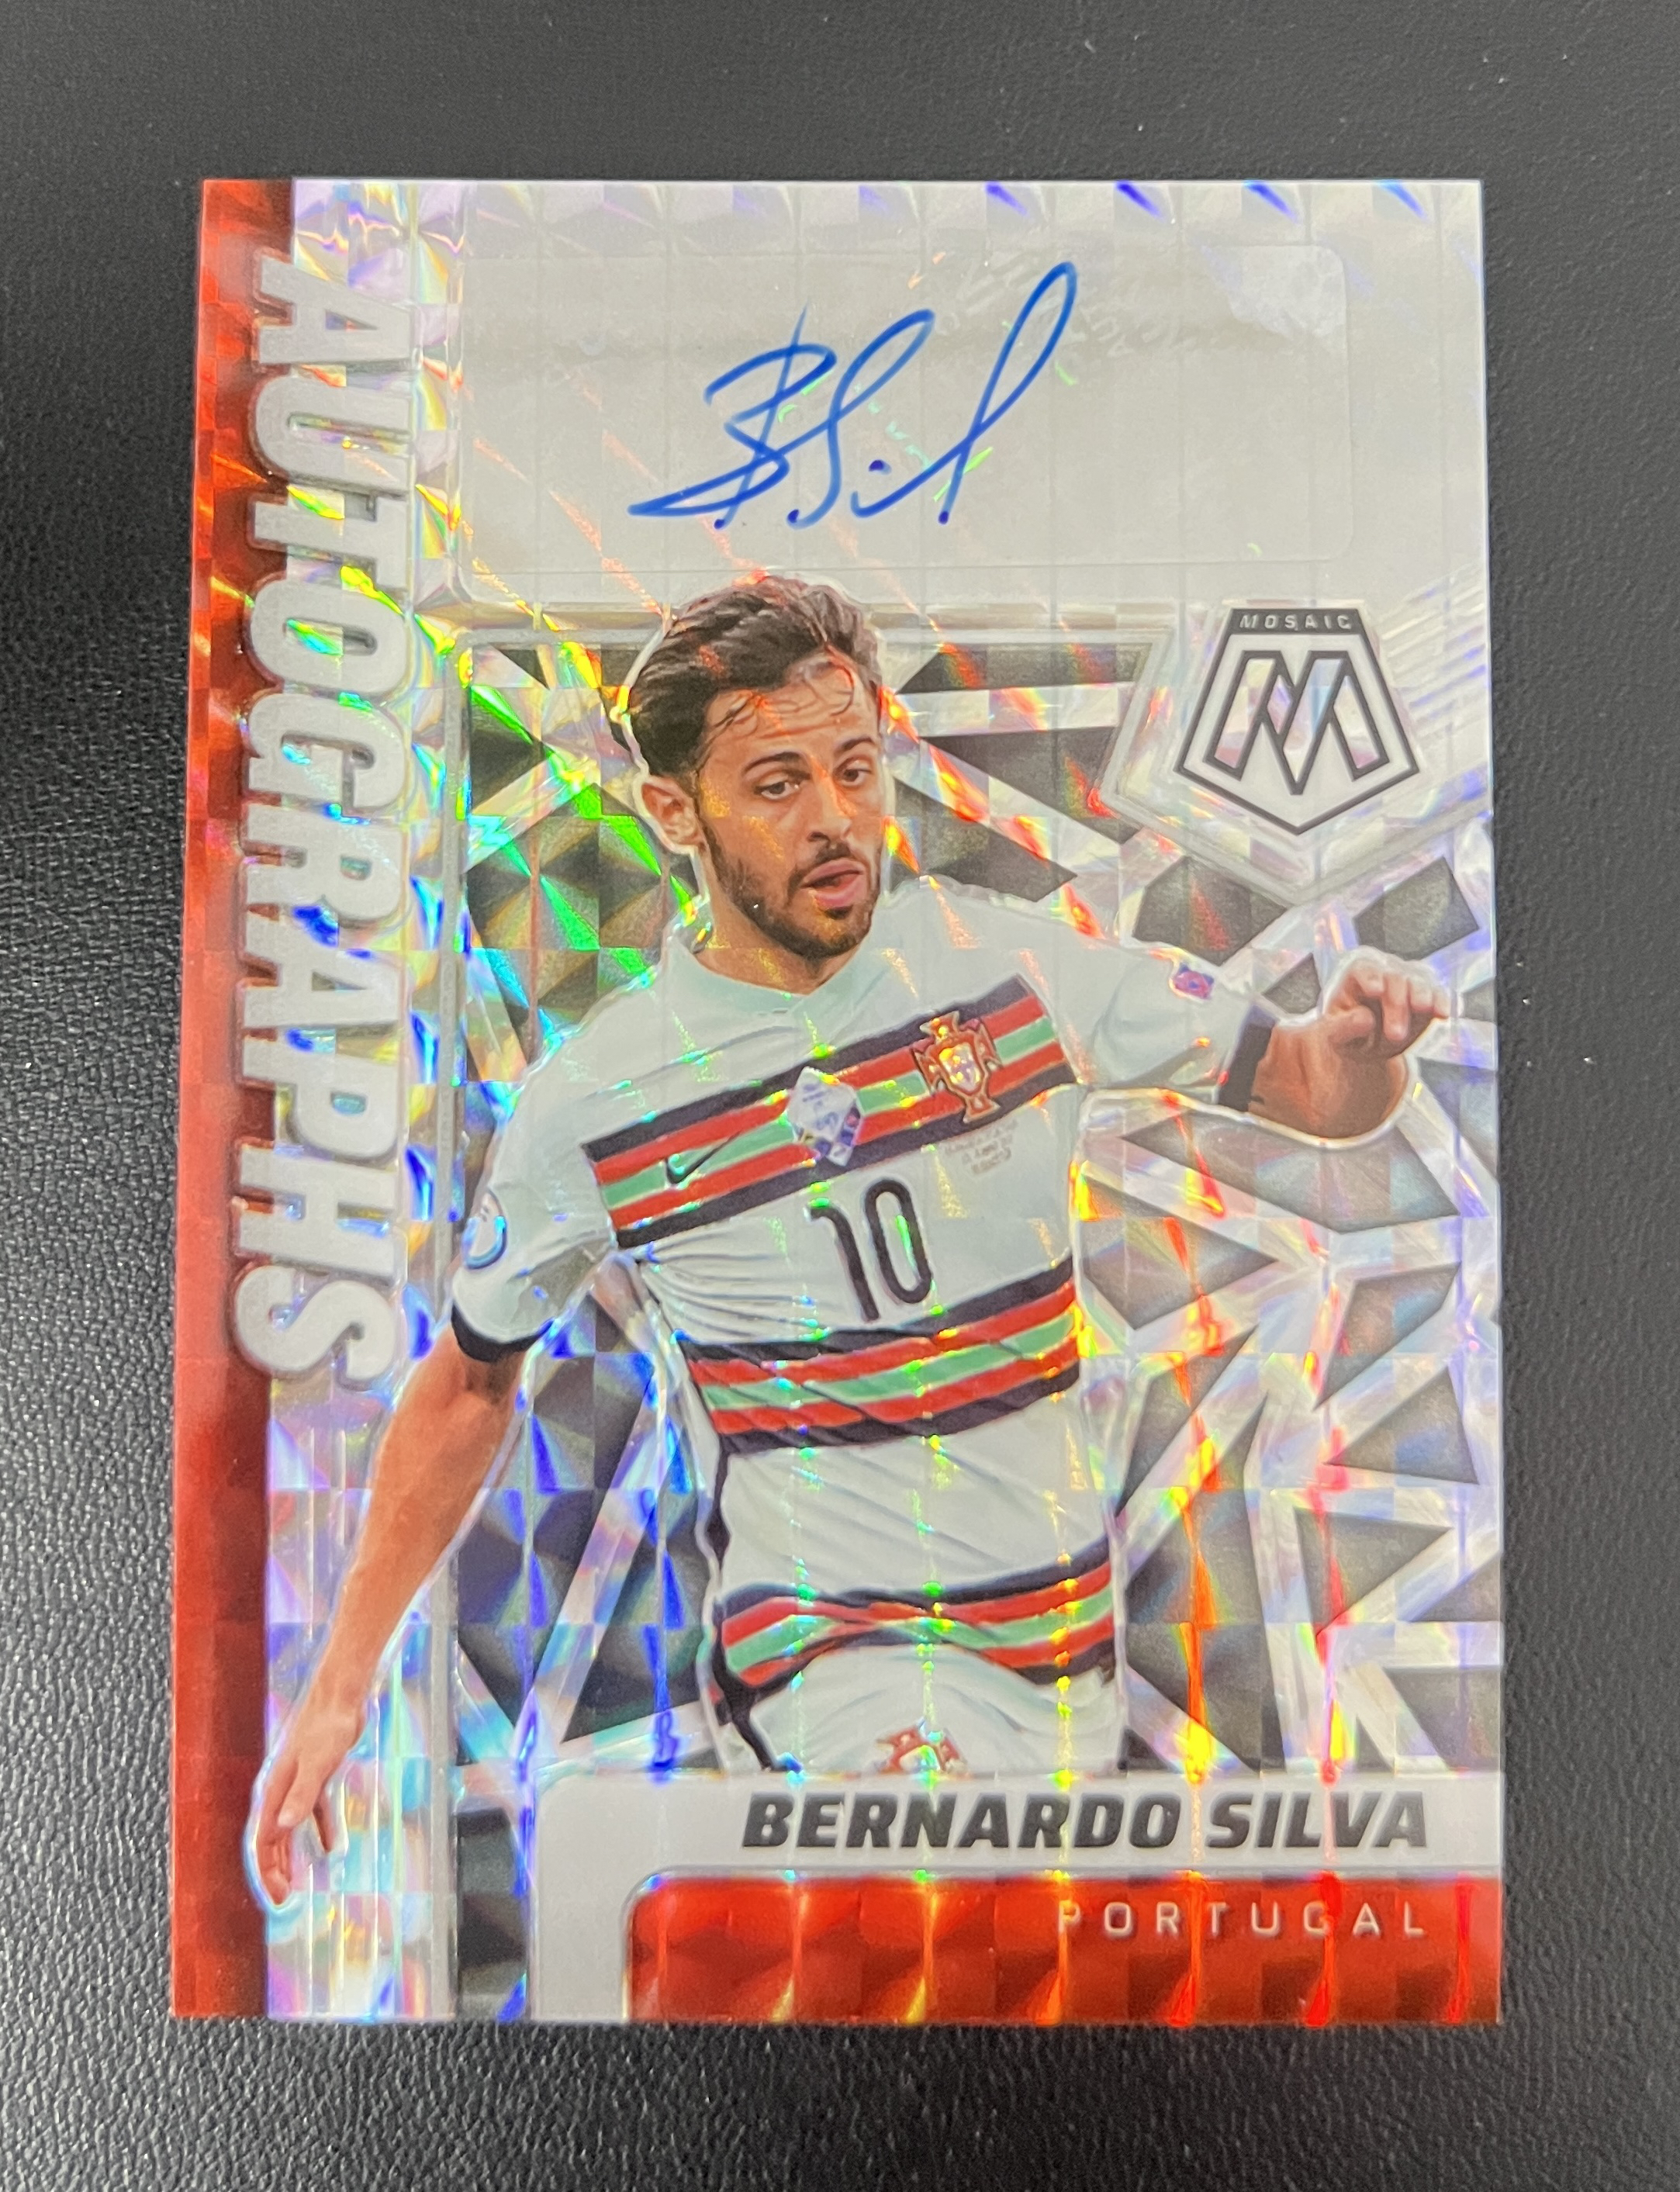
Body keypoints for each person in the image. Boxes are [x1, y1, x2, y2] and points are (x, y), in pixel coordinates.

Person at [251, 575, 1443, 1902]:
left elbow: (1313, 1087)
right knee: (911, 1909)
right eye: (775, 784)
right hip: (833, 1668)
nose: (832, 817)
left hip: (1058, 1659)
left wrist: (1362, 1046)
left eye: (854, 768)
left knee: (1010, 1979)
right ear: (673, 812)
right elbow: (469, 1382)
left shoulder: (1013, 971)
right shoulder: (596, 1102)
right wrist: (340, 1678)